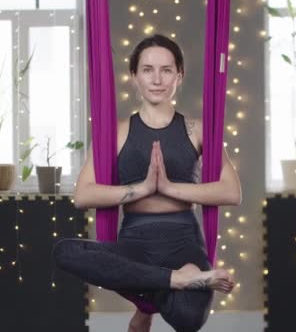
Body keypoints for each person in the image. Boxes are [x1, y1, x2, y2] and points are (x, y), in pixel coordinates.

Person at [53, 34, 242, 332]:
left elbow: (231, 192)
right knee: (65, 251)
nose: (157, 79)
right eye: (147, 69)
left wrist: (168, 188)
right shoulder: (115, 133)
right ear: (134, 76)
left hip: (184, 242)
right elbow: (83, 195)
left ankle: (148, 300)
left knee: (189, 319)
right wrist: (141, 188)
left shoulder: (197, 130)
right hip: (135, 244)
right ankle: (172, 281)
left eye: (166, 70)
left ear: (179, 76)